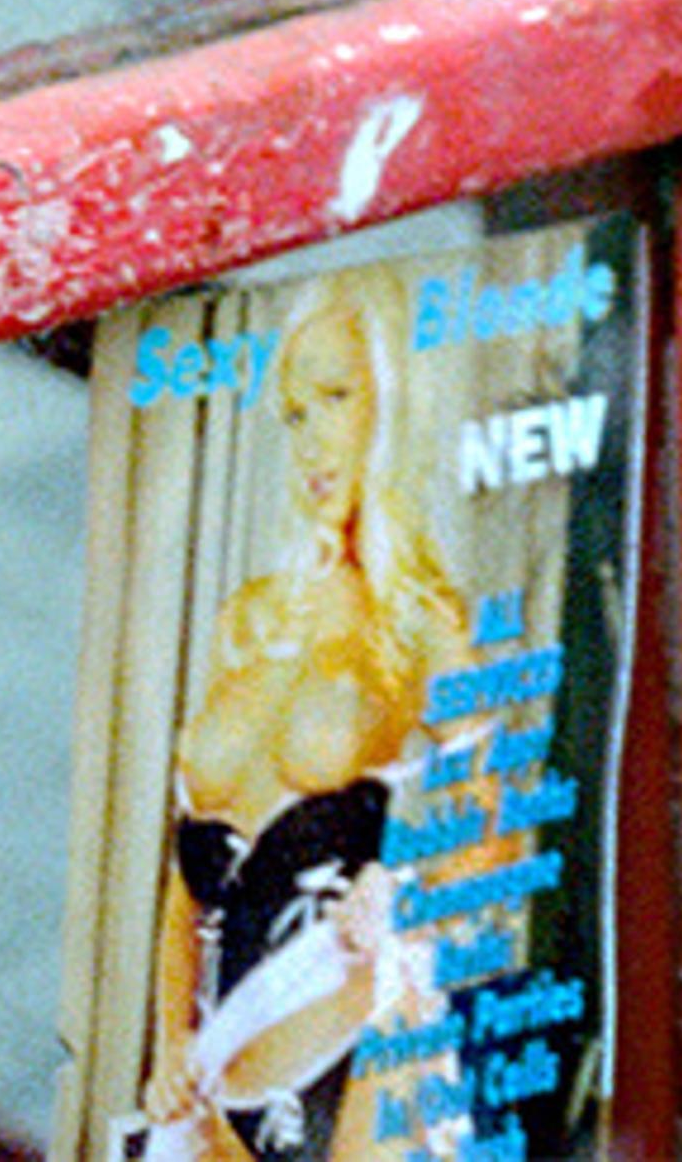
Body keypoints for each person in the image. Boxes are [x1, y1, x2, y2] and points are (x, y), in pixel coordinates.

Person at [130, 275, 476, 1162]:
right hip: (207, 1081)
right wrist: (171, 1041)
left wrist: (405, 890)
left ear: (390, 403)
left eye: (335, 395)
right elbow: (187, 879)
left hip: (346, 1056)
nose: (312, 435)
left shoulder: (426, 624)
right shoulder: (248, 619)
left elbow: (496, 832)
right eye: (292, 412)